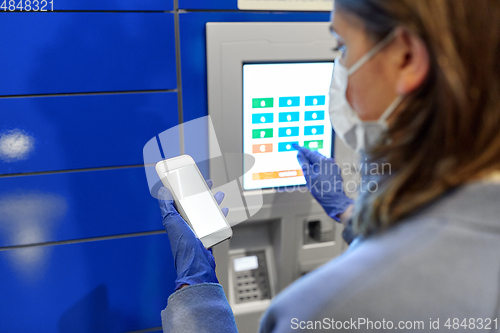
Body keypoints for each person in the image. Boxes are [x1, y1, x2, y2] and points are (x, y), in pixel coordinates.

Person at [158, 0, 500, 331]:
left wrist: (196, 291)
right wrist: (351, 215)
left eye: (342, 48)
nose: (341, 76)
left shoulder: (322, 312)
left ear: (406, 57)